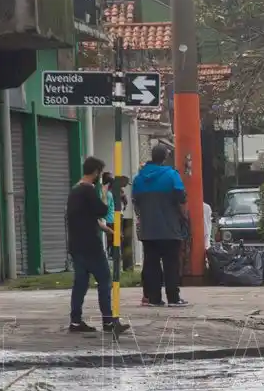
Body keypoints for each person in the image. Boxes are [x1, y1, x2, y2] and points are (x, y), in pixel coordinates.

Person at [65, 157, 129, 334]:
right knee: (104, 280)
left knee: (81, 283)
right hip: (90, 245)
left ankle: (76, 321)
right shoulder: (88, 190)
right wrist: (105, 191)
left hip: (76, 244)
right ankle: (109, 322)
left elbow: (85, 216)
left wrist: (106, 229)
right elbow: (101, 210)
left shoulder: (74, 191)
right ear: (95, 172)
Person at [132, 143, 189, 307]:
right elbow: (182, 197)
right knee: (171, 263)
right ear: (165, 157)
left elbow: (136, 202)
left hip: (148, 229)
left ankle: (154, 298)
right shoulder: (171, 175)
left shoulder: (139, 178)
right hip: (170, 228)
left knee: (151, 264)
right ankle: (173, 297)